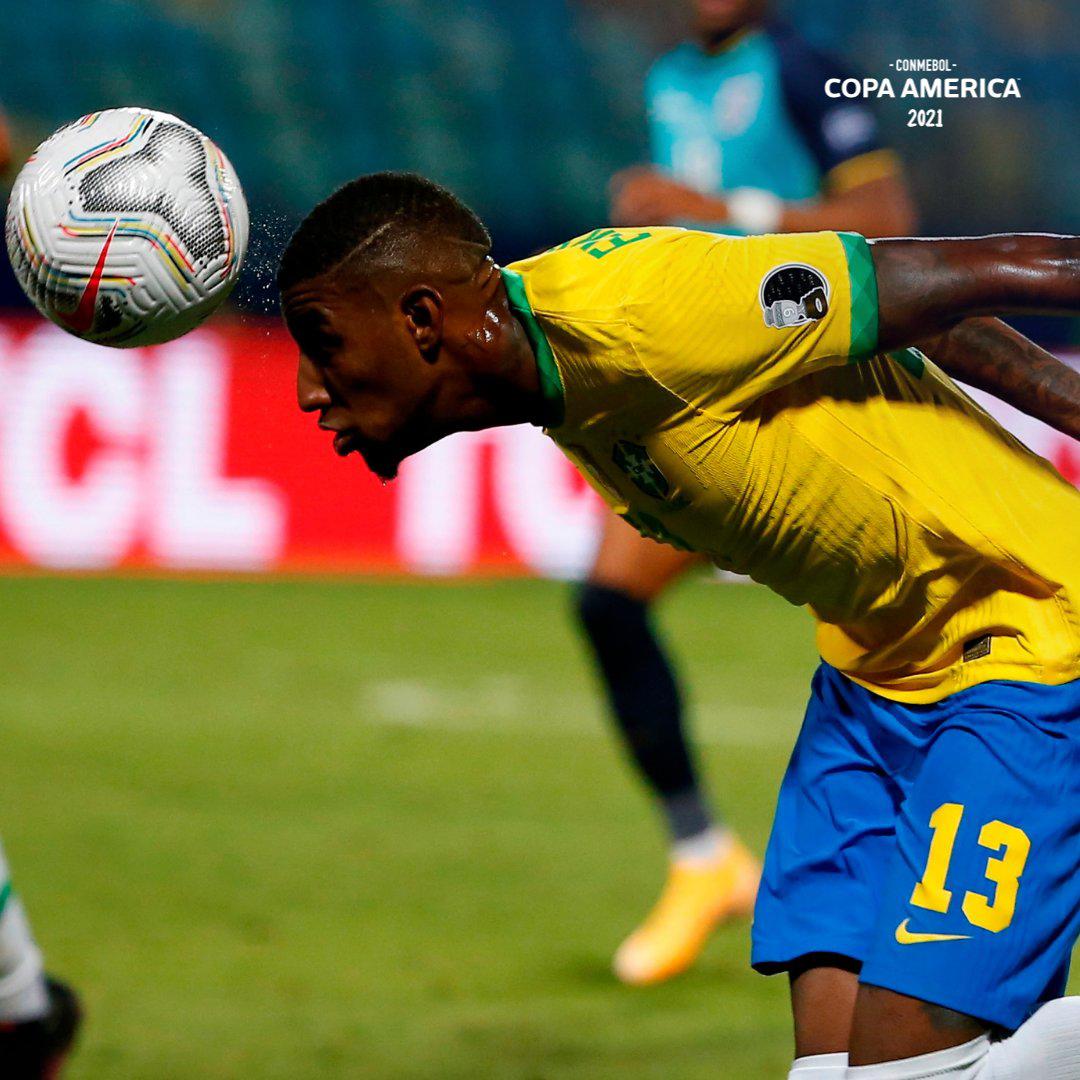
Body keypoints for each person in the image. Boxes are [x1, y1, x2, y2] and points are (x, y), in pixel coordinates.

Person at [278, 172, 1080, 1077]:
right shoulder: (556, 372)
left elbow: (972, 269)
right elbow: (915, 314)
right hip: (870, 686)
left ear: (423, 320)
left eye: (323, 341)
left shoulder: (639, 309)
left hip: (1032, 641)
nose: (307, 389)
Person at [579, 0, 919, 986]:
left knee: (883, 638)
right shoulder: (670, 81)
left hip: (807, 381)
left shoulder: (807, 71)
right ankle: (704, 860)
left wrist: (723, 209)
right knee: (609, 601)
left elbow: (887, 223)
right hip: (710, 382)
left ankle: (921, 891)